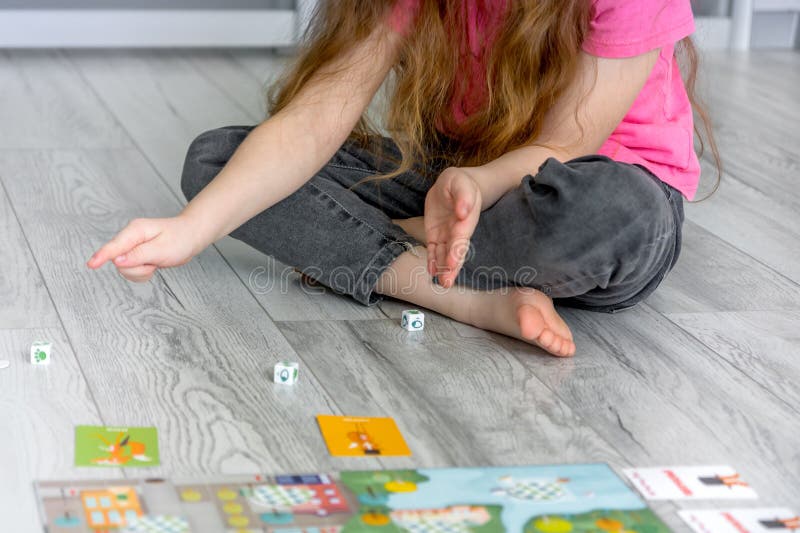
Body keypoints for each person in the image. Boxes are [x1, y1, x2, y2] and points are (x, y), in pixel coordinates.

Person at [87, 0, 719, 357]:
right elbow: (316, 116)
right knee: (217, 162)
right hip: (456, 186)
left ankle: (371, 245)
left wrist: (469, 188)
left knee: (614, 211)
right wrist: (191, 230)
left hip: (586, 194)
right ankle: (466, 295)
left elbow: (565, 145)